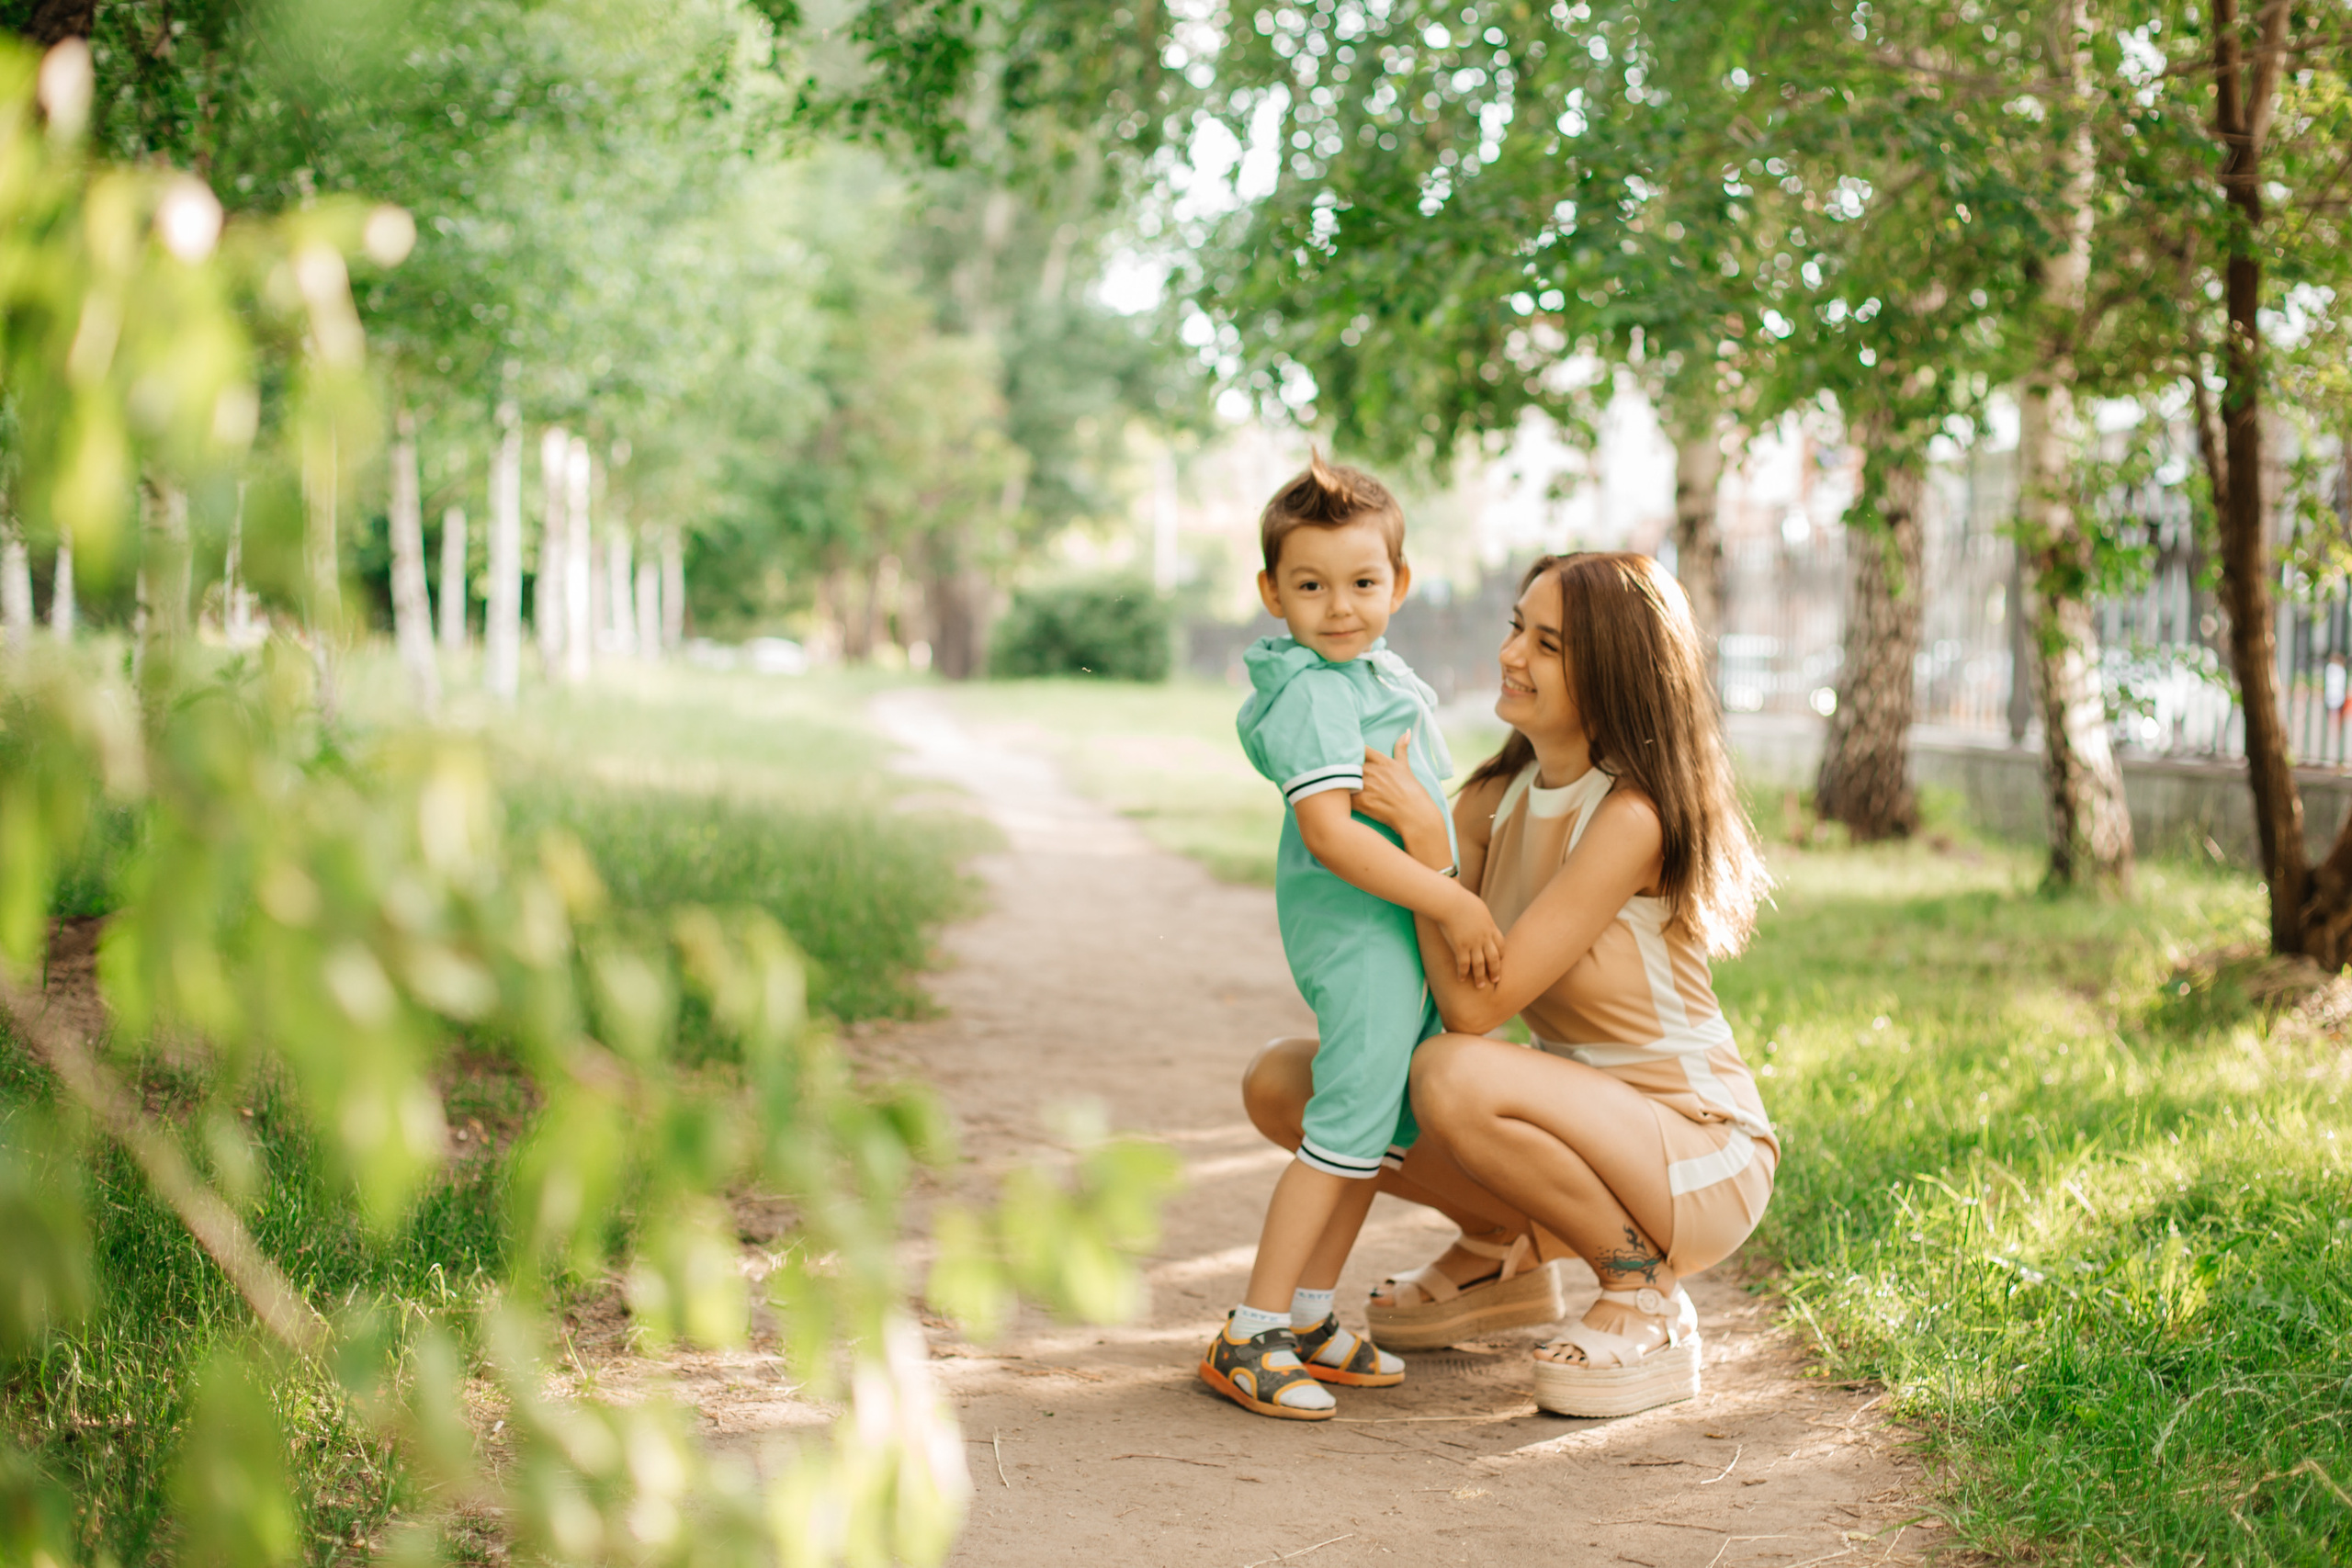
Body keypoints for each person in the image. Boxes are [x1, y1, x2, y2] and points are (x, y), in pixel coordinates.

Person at [1242, 551, 1777, 1418]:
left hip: (1696, 1152)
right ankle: (1500, 1247)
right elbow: (1414, 937)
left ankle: (1642, 1290)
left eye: (1549, 644)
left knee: (1451, 1073)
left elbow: (1475, 1006)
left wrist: (1430, 851)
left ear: (1613, 674)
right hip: (1570, 1134)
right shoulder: (1498, 794)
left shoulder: (1629, 817)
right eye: (1516, 627)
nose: (1512, 654)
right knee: (1285, 1083)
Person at [1200, 455, 1508, 1423]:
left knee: (1372, 1136)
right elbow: (1332, 835)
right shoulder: (1310, 692)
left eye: (1362, 582)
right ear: (1271, 594)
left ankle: (1307, 1314)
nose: (1340, 606)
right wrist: (1452, 903)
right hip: (1364, 934)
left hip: (1401, 925)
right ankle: (1250, 1332)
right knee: (1340, 1131)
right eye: (1311, 586)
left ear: (1398, 584)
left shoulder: (1373, 676)